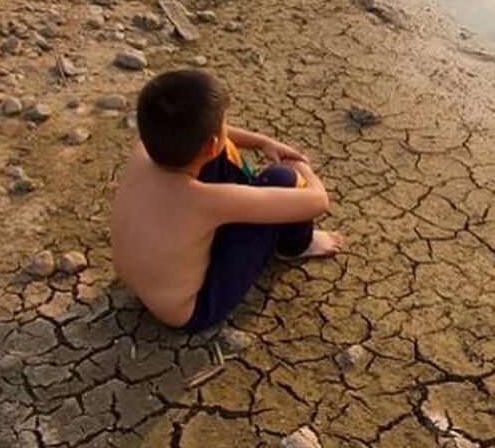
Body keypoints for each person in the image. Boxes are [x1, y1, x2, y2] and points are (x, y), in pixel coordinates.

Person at [111, 70, 342, 332]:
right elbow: (317, 201)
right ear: (211, 143)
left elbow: (212, 137)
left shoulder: (144, 150)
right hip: (191, 310)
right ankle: (296, 245)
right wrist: (302, 168)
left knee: (214, 152)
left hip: (138, 283)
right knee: (282, 177)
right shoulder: (207, 202)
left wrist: (262, 142)